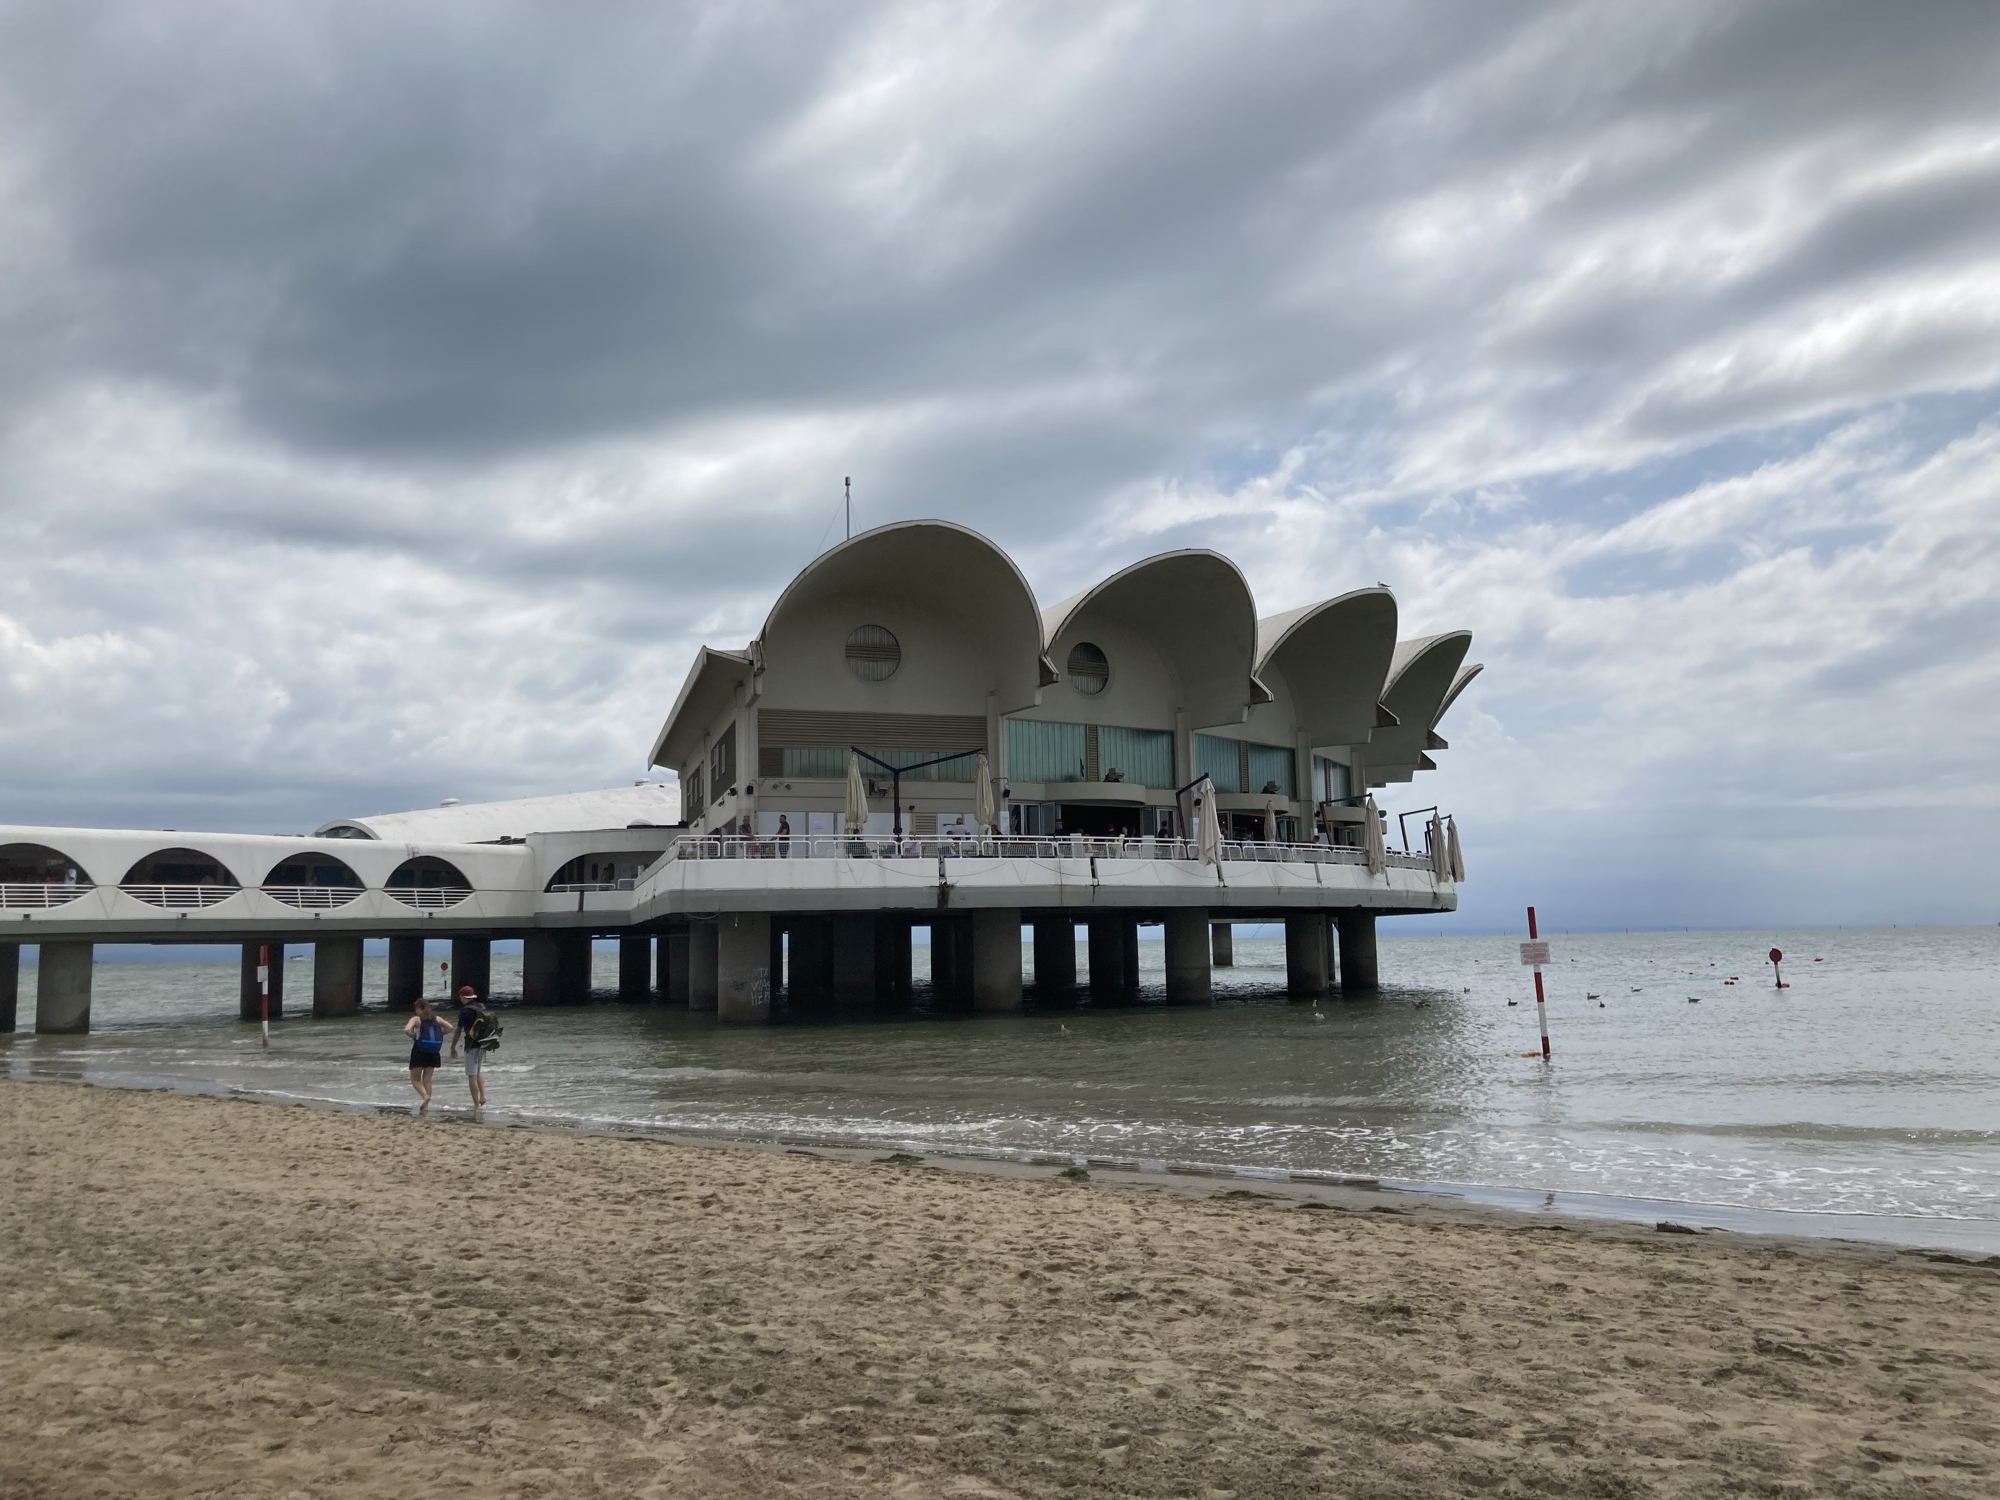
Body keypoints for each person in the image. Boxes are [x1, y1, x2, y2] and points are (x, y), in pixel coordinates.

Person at [449, 984, 493, 1112]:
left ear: (462, 997)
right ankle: (483, 1097)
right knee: (478, 1071)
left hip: (471, 1044)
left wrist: (453, 1046)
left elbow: (458, 1030)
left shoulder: (465, 1011)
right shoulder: (481, 1006)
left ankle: (475, 1104)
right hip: (484, 1042)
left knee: (471, 1075)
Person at [402, 998, 448, 1114]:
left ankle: (425, 1097)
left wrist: (413, 1036)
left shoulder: (416, 1019)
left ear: (418, 1008)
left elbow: (406, 1030)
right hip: (434, 1051)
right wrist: (441, 1034)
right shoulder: (437, 1019)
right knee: (427, 1080)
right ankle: (426, 1106)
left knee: (415, 1079)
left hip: (419, 1050)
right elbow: (450, 1027)